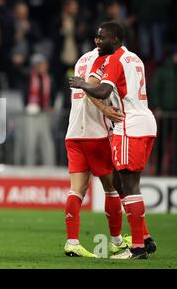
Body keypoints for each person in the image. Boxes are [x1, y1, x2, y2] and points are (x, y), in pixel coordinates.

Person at [69, 21, 157, 259]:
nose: (97, 41)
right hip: (145, 122)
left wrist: (81, 84)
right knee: (125, 183)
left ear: (115, 40)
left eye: (102, 38)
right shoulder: (134, 58)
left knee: (129, 186)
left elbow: (102, 91)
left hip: (129, 125)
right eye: (96, 37)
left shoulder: (115, 60)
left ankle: (137, 246)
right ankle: (143, 238)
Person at [64, 43, 132, 258]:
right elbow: (90, 88)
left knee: (76, 190)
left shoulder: (81, 59)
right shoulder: (105, 60)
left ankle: (72, 242)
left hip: (74, 132)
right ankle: (115, 242)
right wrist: (105, 109)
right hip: (96, 132)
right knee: (110, 188)